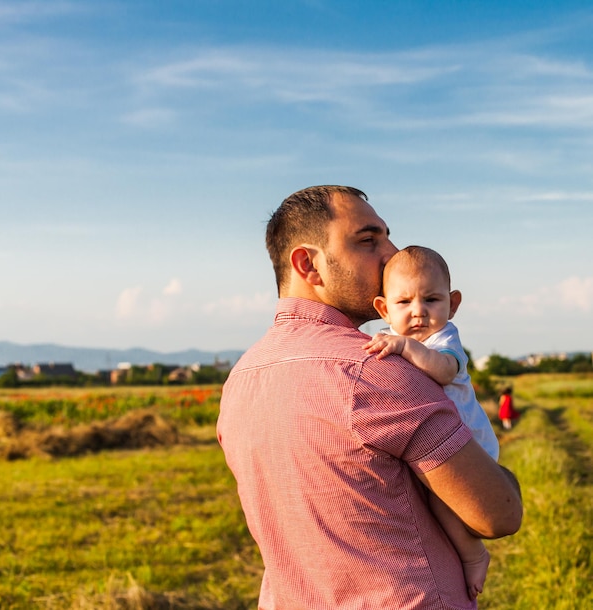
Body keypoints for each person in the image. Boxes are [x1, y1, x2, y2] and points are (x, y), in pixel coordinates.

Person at [217, 185, 522, 609]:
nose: (391, 252)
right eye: (368, 239)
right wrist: (501, 480)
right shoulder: (378, 372)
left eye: (387, 236)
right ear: (309, 264)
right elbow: (498, 513)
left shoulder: (241, 379)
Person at [363, 245, 499, 599]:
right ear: (383, 308)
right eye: (404, 302)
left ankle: (474, 555)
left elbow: (444, 369)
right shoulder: (400, 340)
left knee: (442, 499)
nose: (419, 312)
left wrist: (406, 349)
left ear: (452, 304)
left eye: (432, 300)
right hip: (444, 442)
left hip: (470, 444)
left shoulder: (444, 340)